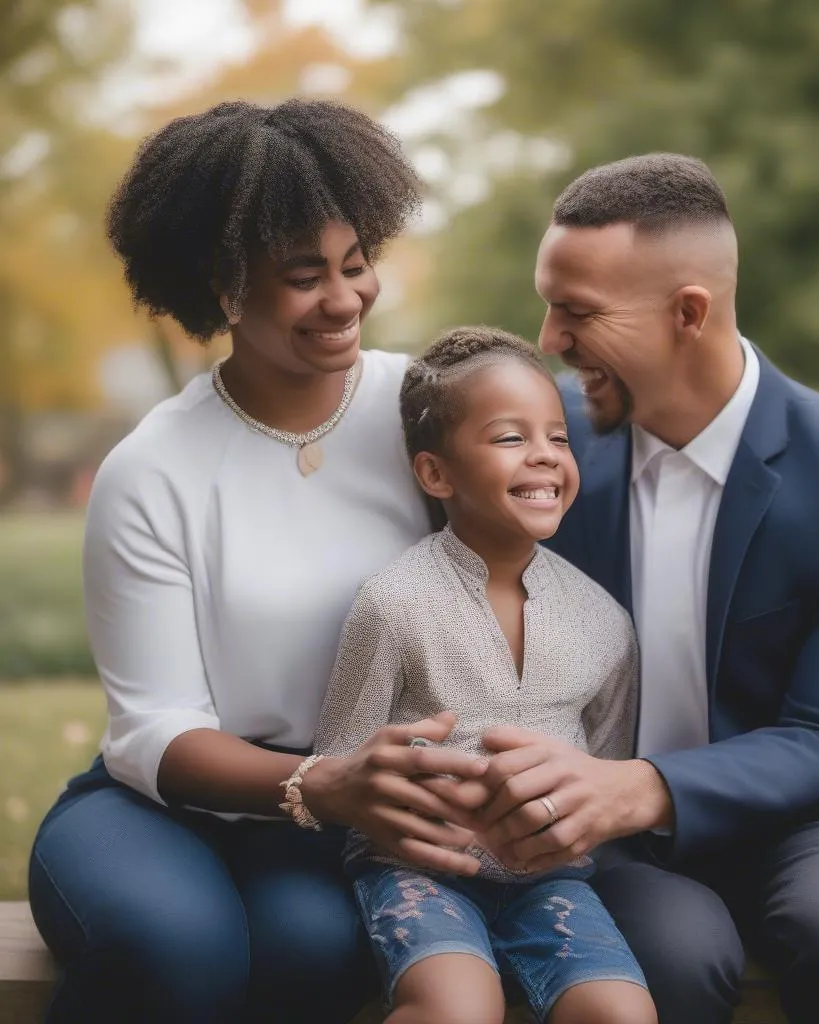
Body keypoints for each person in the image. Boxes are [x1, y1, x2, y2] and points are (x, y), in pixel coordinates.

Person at [435, 154, 819, 1024]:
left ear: (689, 312)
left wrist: (644, 786)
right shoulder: (537, 449)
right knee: (671, 964)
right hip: (611, 833)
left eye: (578, 312)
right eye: (548, 303)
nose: (550, 339)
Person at [27, 99, 495, 1023]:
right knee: (174, 949)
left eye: (356, 266)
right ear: (225, 285)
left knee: (314, 952)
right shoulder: (154, 468)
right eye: (303, 275)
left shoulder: (427, 413)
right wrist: (316, 782)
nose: (344, 299)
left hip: (345, 816)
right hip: (159, 802)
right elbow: (151, 726)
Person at [311, 326, 655, 1024]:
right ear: (437, 474)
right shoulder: (391, 603)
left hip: (552, 882)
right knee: (457, 1011)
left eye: (557, 438)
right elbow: (343, 767)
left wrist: (560, 827)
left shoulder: (604, 621)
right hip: (416, 872)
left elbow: (605, 772)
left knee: (622, 1015)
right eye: (509, 439)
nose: (543, 458)